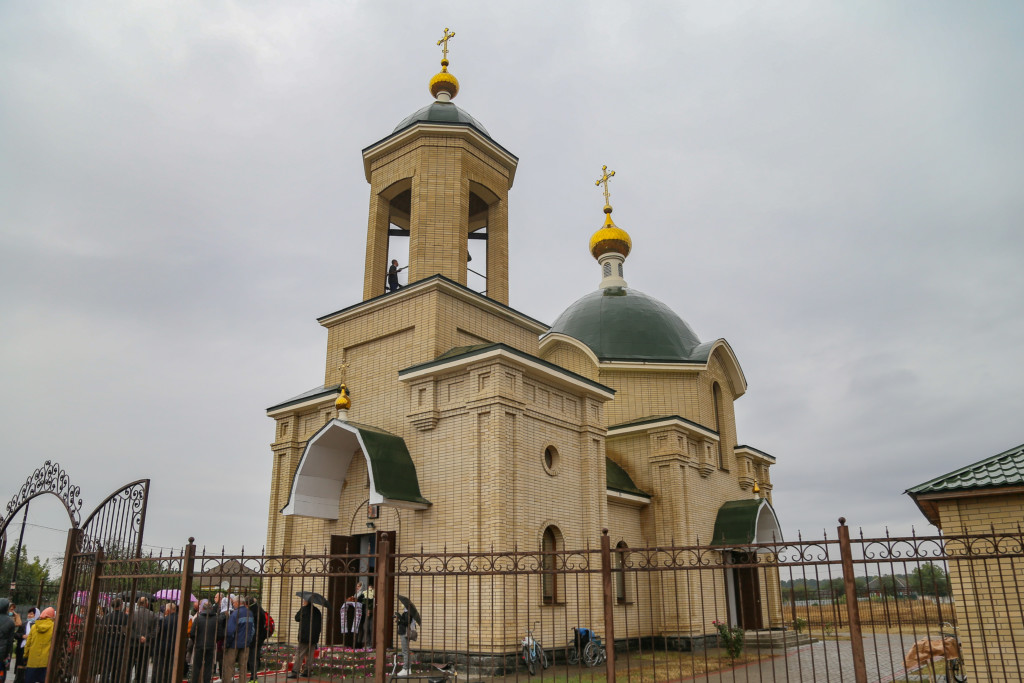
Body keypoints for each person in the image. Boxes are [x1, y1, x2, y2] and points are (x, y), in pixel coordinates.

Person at [222, 595, 254, 683]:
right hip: (245, 644)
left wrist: (226, 644)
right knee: (243, 667)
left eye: (233, 603)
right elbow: (253, 630)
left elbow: (230, 631)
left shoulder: (235, 614)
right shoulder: (250, 613)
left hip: (234, 644)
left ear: (237, 603)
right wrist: (248, 640)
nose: (233, 605)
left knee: (229, 666)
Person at [288, 598, 321, 679]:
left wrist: (302, 609)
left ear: (307, 601)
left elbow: (296, 618)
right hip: (314, 637)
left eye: (304, 600)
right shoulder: (317, 611)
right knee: (310, 654)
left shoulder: (304, 609)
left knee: (299, 654)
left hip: (304, 636)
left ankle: (295, 672)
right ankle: (308, 671)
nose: (303, 602)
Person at [188, 602, 220, 683]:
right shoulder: (216, 619)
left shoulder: (198, 618)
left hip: (199, 645)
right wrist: (214, 640)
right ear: (211, 608)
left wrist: (196, 640)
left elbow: (192, 633)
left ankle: (194, 681)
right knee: (208, 667)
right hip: (211, 645)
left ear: (202, 608)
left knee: (196, 666)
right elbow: (220, 633)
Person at [128, 597, 157, 683]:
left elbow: (129, 629)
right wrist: (146, 637)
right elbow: (156, 629)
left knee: (129, 665)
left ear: (137, 604)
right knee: (143, 665)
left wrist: (138, 637)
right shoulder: (153, 615)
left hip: (133, 644)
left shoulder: (132, 614)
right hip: (146, 645)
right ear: (147, 604)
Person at [23, 607, 54, 683]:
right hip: (46, 662)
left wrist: (25, 656)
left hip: (32, 661)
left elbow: (28, 644)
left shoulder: (34, 627)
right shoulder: (54, 627)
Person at [99, 599, 127, 683]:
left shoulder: (106, 617)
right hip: (120, 645)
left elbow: (101, 630)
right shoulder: (125, 617)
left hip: (107, 645)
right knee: (118, 667)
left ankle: (104, 680)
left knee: (106, 667)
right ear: (121, 605)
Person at [153, 603, 178, 683]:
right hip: (175, 647)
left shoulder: (163, 620)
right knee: (171, 667)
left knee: (160, 667)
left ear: (167, 611)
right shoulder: (180, 619)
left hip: (162, 647)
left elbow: (158, 633)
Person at [246, 597, 268, 678]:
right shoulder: (259, 609)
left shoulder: (252, 611)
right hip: (260, 636)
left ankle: (253, 674)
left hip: (254, 637)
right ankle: (254, 672)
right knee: (256, 654)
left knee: (252, 656)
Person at [14, 607, 36, 683]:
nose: (29, 615)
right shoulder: (23, 624)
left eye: (32, 614)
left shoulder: (37, 626)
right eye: (29, 614)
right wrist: (22, 636)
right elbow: (16, 634)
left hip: (32, 649)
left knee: (28, 667)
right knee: (20, 666)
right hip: (22, 648)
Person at [0, 599, 16, 683]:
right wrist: (7, 654)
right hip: (2, 654)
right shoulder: (10, 622)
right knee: (1, 672)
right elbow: (10, 641)